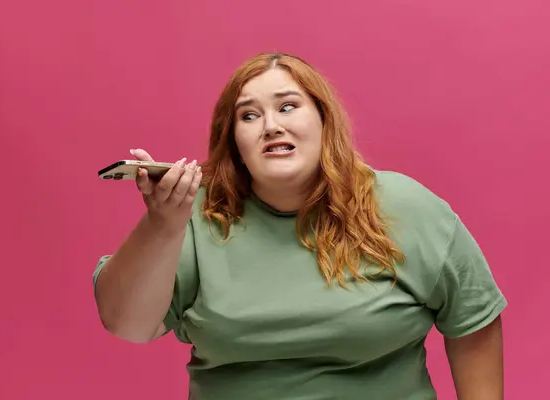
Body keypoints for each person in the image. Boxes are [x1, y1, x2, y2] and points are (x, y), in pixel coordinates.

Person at [92, 52, 507, 399]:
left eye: (288, 107)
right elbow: (127, 325)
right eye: (249, 116)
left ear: (323, 120)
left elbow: (473, 318)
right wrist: (162, 226)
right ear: (233, 141)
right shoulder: (194, 215)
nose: (271, 125)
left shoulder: (406, 208)